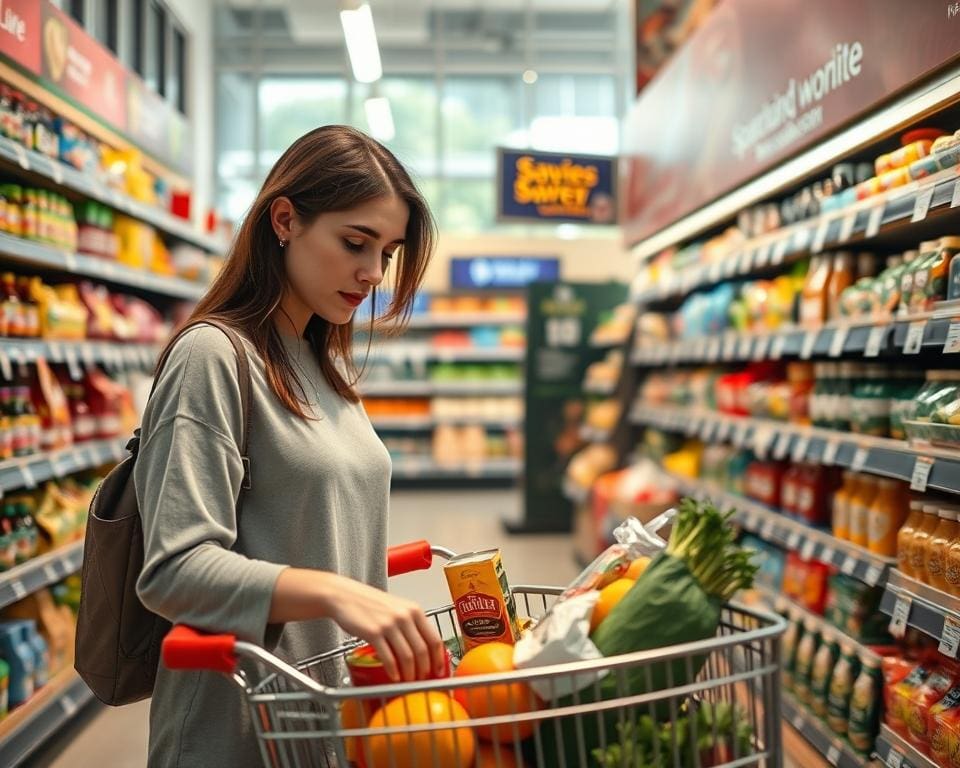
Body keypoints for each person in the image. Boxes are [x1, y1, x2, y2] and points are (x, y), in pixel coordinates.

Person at [134, 125, 445, 767]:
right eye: (355, 243)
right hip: (239, 730)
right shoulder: (213, 358)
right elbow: (175, 568)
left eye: (386, 253)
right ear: (284, 220)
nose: (371, 273)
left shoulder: (322, 363)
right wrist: (337, 592)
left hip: (326, 722)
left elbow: (306, 524)